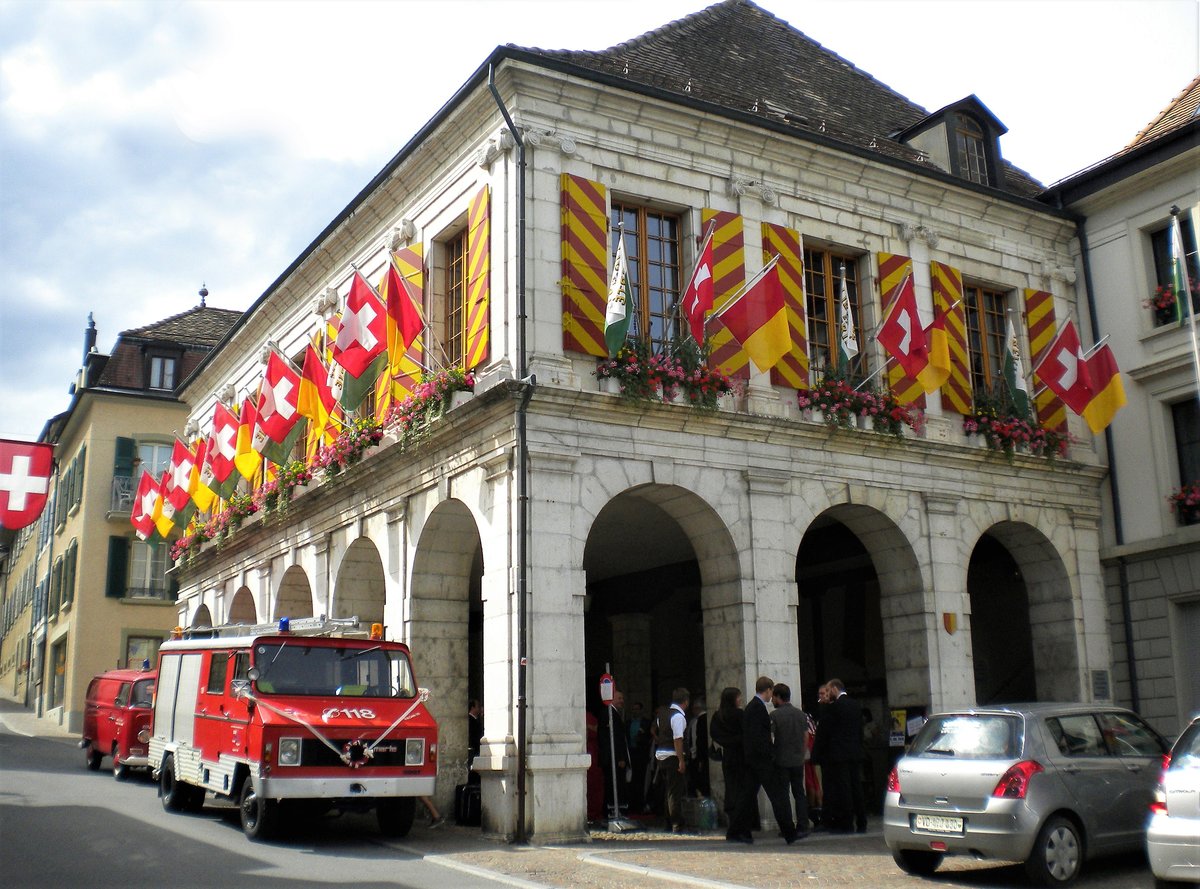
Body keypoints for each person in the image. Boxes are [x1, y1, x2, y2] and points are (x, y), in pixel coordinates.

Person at [726, 676, 803, 845]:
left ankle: (735, 831)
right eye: (771, 692)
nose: (771, 696)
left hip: (755, 761)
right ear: (768, 690)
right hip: (761, 761)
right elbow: (759, 739)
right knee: (778, 796)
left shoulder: (753, 708)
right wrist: (770, 754)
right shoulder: (757, 709)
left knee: (747, 797)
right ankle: (789, 832)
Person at [812, 677, 866, 833]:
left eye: (828, 690)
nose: (827, 694)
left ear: (835, 689)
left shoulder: (834, 707)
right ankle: (862, 823)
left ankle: (846, 824)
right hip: (855, 753)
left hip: (839, 755)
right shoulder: (855, 705)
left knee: (844, 790)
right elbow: (859, 731)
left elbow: (825, 732)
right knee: (857, 788)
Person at [709, 686, 755, 830]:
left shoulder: (718, 716)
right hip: (741, 756)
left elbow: (715, 735)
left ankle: (732, 817)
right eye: (738, 697)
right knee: (743, 789)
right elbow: (747, 735)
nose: (740, 700)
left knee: (731, 788)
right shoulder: (740, 715)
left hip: (727, 756)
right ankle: (742, 821)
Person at [769, 682, 809, 832]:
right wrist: (801, 752)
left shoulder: (774, 716)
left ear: (778, 697)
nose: (772, 700)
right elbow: (805, 736)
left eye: (773, 697)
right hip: (798, 759)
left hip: (781, 760)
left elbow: (770, 737)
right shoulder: (800, 714)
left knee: (783, 794)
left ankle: (788, 826)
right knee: (799, 793)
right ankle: (803, 824)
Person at [651, 687, 690, 833]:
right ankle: (676, 823)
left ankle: (668, 821)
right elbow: (678, 739)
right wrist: (681, 760)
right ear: (685, 702)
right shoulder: (678, 717)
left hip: (661, 755)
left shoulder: (663, 714)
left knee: (667, 790)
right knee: (675, 791)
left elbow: (655, 729)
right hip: (672, 756)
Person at [597, 688, 630, 816]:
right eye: (619, 698)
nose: (622, 701)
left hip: (614, 757)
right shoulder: (609, 713)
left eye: (622, 698)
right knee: (614, 784)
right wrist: (620, 758)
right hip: (613, 758)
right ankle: (613, 810)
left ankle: (616, 808)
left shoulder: (614, 713)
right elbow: (613, 738)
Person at [684, 696, 710, 797]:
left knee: (697, 782)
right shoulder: (707, 719)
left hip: (698, 757)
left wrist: (694, 756)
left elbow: (696, 740)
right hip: (704, 756)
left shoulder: (697, 721)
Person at [627, 701, 651, 811]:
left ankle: (641, 803)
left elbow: (649, 738)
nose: (635, 711)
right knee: (631, 779)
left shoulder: (646, 723)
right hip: (631, 753)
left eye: (637, 709)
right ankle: (632, 804)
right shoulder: (627, 723)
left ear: (641, 710)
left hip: (641, 754)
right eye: (633, 709)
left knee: (641, 780)